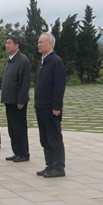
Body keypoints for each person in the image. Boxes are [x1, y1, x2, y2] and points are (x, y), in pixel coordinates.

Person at [34, 33, 66, 177]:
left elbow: (59, 86)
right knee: (45, 138)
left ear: (50, 44)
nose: (39, 45)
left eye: (42, 42)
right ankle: (50, 165)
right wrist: (36, 104)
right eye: (38, 42)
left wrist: (57, 107)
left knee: (54, 138)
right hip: (41, 106)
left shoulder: (55, 61)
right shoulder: (42, 61)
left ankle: (58, 167)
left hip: (51, 107)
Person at [1, 36, 31, 161]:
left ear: (17, 45)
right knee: (12, 128)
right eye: (6, 43)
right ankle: (16, 151)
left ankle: (23, 153)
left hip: (17, 101)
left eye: (9, 43)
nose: (7, 45)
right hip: (9, 100)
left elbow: (25, 82)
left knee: (19, 128)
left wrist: (21, 100)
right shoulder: (9, 60)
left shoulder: (23, 60)